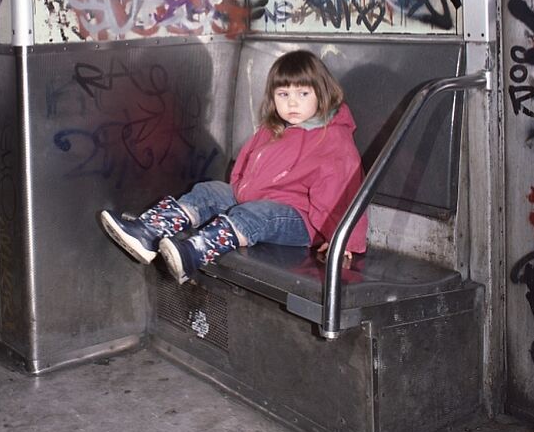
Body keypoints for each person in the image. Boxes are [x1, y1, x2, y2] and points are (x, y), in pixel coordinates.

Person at [99, 49, 367, 284]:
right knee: (210, 190)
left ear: (322, 94)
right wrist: (237, 190)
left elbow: (344, 193)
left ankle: (193, 252)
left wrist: (344, 240)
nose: (292, 103)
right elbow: (246, 165)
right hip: (259, 201)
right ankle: (149, 232)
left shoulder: (331, 139)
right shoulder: (274, 128)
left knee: (254, 212)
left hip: (301, 220)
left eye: (303, 93)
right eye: (283, 94)